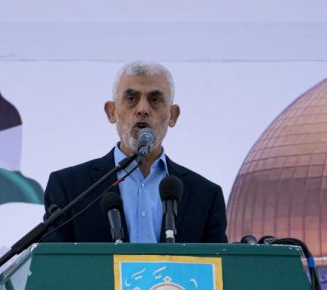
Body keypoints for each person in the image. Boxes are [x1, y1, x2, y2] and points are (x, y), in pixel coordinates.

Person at [43, 61, 227, 243]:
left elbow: (221, 261)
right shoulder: (70, 188)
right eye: (131, 99)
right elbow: (54, 260)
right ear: (111, 112)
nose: (142, 109)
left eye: (155, 100)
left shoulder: (205, 196)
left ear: (173, 115)